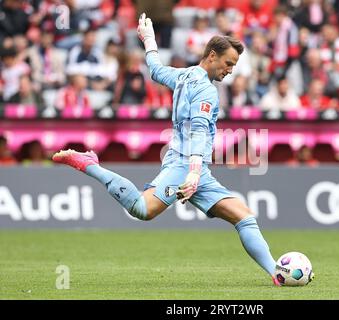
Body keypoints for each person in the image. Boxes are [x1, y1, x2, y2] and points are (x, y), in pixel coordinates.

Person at [52, 13, 280, 286]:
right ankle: (91, 165)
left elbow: (156, 70)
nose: (230, 70)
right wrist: (193, 174)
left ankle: (276, 274)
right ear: (211, 56)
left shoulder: (182, 76)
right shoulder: (206, 91)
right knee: (142, 209)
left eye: (233, 65)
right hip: (186, 166)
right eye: (228, 63)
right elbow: (197, 132)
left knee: (244, 217)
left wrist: (148, 40)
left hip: (195, 168)